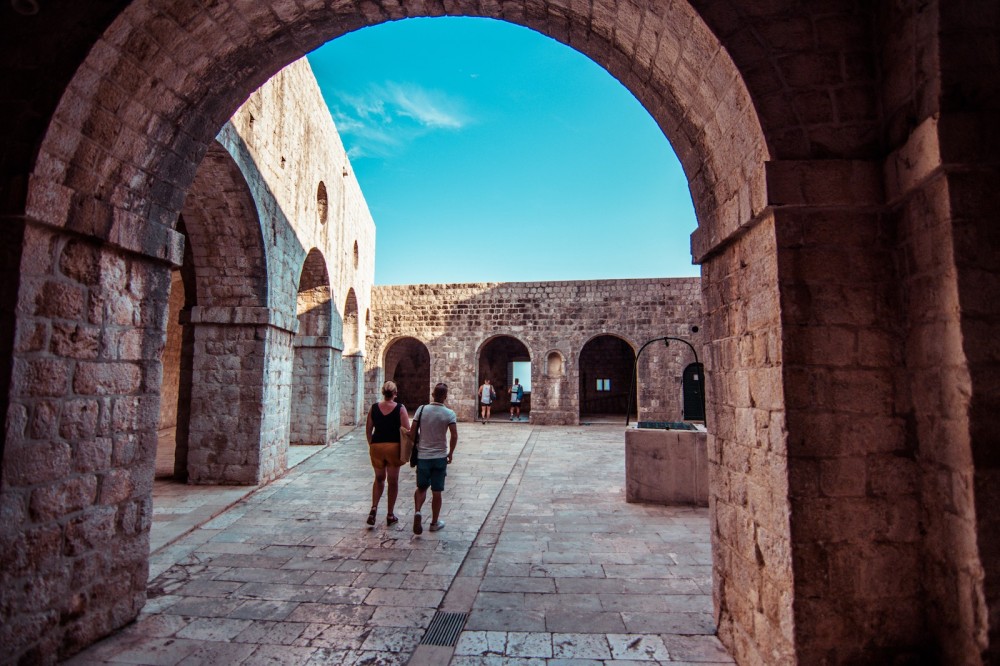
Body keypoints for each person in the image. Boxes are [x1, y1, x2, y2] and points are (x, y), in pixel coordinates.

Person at [408, 382, 457, 534]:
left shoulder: (421, 410)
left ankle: (417, 511)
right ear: (445, 397)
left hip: (423, 455)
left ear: (433, 395)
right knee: (437, 491)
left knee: (421, 487)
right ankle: (434, 522)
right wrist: (451, 453)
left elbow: (413, 432)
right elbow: (454, 435)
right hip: (440, 456)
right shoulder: (449, 414)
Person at [365, 381, 411, 527]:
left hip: (377, 446)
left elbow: (368, 429)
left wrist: (371, 443)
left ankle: (373, 508)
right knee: (393, 481)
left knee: (379, 479)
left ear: (383, 392)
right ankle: (390, 514)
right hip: (393, 447)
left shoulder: (373, 408)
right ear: (395, 393)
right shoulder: (400, 408)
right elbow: (407, 429)